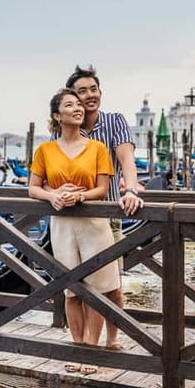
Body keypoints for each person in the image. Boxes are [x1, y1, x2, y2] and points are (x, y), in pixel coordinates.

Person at [28, 88, 120, 374]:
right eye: (70, 105)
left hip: (93, 222)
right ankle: (77, 346)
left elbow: (102, 189)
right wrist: (53, 196)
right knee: (71, 291)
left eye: (79, 105)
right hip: (62, 225)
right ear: (57, 115)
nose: (78, 108)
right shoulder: (45, 150)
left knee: (96, 289)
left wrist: (79, 197)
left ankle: (91, 350)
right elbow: (33, 188)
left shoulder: (97, 148)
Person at [53, 65, 143, 351]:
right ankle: (84, 345)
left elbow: (126, 158)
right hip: (71, 220)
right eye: (82, 92)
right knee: (76, 287)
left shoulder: (114, 121)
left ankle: (112, 340)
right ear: (73, 99)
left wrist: (131, 188)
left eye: (93, 89)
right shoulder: (67, 132)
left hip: (106, 216)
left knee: (111, 285)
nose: (89, 95)